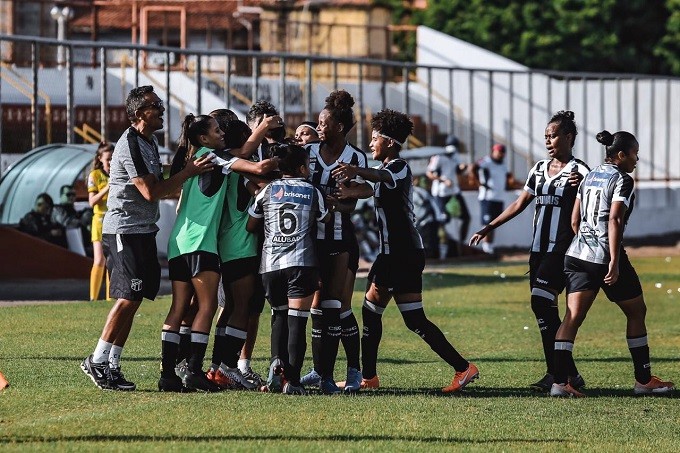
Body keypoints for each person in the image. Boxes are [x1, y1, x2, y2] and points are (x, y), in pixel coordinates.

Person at [332, 108, 479, 393]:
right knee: (412, 319)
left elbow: (381, 178)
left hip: (400, 255)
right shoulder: (385, 171)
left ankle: (369, 378)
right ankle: (463, 368)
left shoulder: (398, 166)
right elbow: (372, 186)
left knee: (373, 311)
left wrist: (356, 170)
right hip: (400, 254)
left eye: (374, 138)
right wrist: (350, 191)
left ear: (388, 142)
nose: (371, 143)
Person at [81, 86, 213, 391]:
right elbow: (151, 191)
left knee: (136, 296)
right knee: (127, 296)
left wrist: (183, 164)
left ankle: (112, 364)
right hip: (124, 230)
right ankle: (98, 360)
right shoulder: (128, 144)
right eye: (157, 106)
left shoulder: (148, 142)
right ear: (140, 113)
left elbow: (160, 175)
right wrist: (189, 172)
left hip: (142, 230)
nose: (162, 110)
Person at [469, 110, 589, 392]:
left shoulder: (580, 171)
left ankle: (556, 374)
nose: (548, 141)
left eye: (554, 135)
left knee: (540, 302)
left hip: (562, 250)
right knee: (544, 312)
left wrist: (583, 186)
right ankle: (566, 372)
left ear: (569, 137)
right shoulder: (538, 169)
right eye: (546, 136)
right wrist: (488, 226)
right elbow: (519, 204)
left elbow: (595, 198)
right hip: (537, 251)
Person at [550, 130, 674, 397]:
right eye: (634, 154)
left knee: (572, 319)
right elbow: (615, 219)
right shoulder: (622, 180)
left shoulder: (589, 176)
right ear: (621, 155)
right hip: (605, 256)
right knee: (636, 311)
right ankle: (643, 380)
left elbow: (575, 221)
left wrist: (586, 244)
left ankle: (560, 384)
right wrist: (614, 261)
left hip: (577, 255)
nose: (637, 159)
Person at [300, 90, 371, 394]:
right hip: (308, 240)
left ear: (339, 126)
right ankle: (320, 371)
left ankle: (354, 371)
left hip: (341, 239)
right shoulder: (309, 153)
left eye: (323, 123)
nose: (319, 128)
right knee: (318, 308)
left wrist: (337, 202)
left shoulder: (355, 158)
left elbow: (355, 201)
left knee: (339, 308)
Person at [204, 116, 281, 390]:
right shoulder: (244, 173)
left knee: (230, 308)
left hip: (226, 245)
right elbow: (260, 189)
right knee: (242, 308)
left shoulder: (226, 168)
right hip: (242, 246)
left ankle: (216, 367)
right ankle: (229, 366)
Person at [247, 143, 330, 395]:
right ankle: (292, 382)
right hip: (301, 262)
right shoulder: (313, 191)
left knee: (278, 316)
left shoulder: (267, 190)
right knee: (297, 323)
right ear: (303, 167)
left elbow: (251, 224)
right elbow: (325, 219)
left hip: (271, 265)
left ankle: (275, 375)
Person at [159, 114, 229, 393]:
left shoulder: (190, 161)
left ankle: (168, 375)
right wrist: (261, 129)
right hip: (201, 243)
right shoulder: (212, 157)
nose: (222, 132)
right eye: (216, 129)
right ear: (203, 138)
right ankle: (195, 372)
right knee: (206, 307)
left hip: (178, 243)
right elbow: (245, 156)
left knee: (179, 308)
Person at [425, 135, 470, 257]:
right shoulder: (439, 157)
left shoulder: (456, 155)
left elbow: (457, 169)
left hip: (454, 191)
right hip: (441, 193)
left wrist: (463, 168)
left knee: (466, 217)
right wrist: (443, 180)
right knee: (443, 220)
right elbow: (429, 173)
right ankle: (442, 248)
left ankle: (461, 244)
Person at [470, 143, 511, 254]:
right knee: (487, 224)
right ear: (493, 151)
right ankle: (486, 249)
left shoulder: (503, 165)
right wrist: (479, 184)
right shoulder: (486, 161)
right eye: (498, 152)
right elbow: (473, 168)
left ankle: (490, 247)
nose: (500, 154)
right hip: (487, 198)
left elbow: (507, 177)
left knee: (494, 224)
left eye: (502, 152)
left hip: (499, 198)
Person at [87, 142, 114, 301]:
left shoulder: (119, 173)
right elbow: (92, 202)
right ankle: (93, 298)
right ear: (100, 159)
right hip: (100, 220)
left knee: (113, 260)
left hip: (115, 220)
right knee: (99, 260)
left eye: (113, 158)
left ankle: (110, 298)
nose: (111, 162)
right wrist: (107, 188)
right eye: (108, 159)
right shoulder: (95, 175)